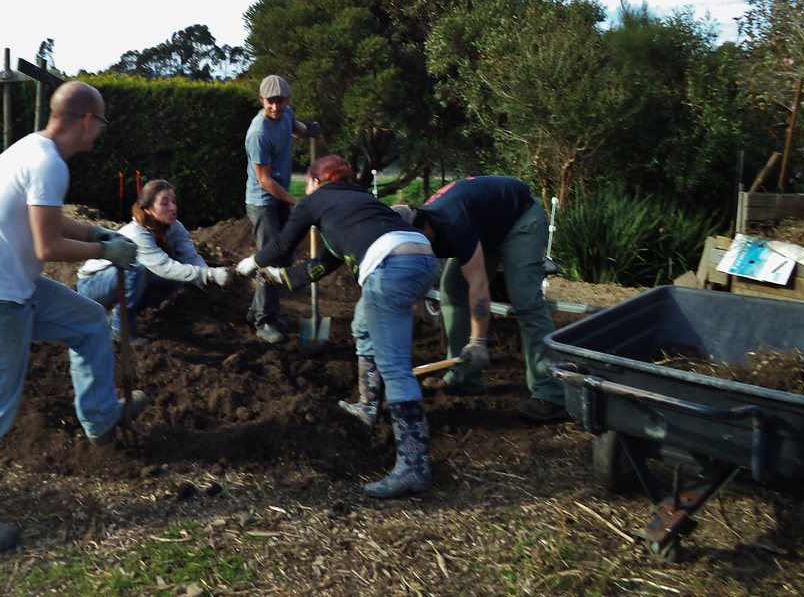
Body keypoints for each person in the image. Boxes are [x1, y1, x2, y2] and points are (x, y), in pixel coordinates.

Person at [0, 81, 148, 553]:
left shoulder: (30, 150)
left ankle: (100, 418)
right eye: (101, 124)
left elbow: (48, 222)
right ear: (87, 121)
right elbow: (47, 247)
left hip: (14, 288)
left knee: (90, 320)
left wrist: (98, 231)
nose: (99, 134)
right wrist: (104, 251)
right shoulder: (48, 164)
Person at [236, 155, 438, 498]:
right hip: (422, 258)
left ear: (315, 182)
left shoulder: (315, 200)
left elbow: (283, 244)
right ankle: (368, 406)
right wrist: (278, 277)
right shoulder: (360, 202)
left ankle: (413, 466)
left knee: (396, 367)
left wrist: (252, 262)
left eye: (309, 184)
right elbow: (324, 263)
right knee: (362, 325)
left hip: (388, 268)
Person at [393, 176, 567, 422]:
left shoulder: (453, 223)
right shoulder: (424, 233)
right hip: (487, 227)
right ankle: (464, 378)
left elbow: (479, 285)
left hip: (520, 219)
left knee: (525, 300)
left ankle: (552, 394)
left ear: (419, 230)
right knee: (453, 289)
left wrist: (478, 341)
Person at [76, 179, 232, 344]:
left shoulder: (175, 227)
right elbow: (164, 267)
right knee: (138, 268)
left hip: (118, 279)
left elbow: (189, 256)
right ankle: (120, 330)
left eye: (173, 202)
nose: (172, 207)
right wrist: (209, 275)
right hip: (93, 283)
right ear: (148, 209)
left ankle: (117, 317)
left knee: (175, 280)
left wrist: (209, 273)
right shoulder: (137, 233)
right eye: (165, 203)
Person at [244, 74, 320, 343]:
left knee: (283, 255)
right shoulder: (258, 133)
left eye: (281, 101)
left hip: (280, 197)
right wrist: (296, 202)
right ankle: (264, 321)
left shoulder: (285, 114)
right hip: (263, 202)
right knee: (270, 258)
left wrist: (306, 130)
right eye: (270, 102)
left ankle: (258, 311)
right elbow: (265, 181)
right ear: (262, 100)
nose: (276, 107)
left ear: (287, 100)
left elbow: (294, 126)